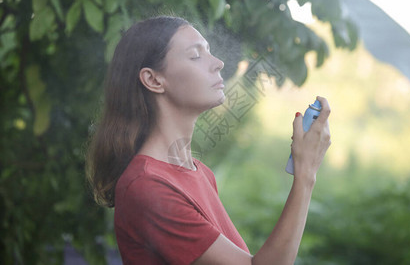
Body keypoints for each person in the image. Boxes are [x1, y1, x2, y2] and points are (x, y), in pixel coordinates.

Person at [86, 16, 331, 265]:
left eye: (210, 51)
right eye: (195, 56)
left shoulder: (199, 173)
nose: (218, 63)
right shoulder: (147, 186)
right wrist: (305, 175)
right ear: (153, 80)